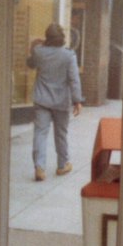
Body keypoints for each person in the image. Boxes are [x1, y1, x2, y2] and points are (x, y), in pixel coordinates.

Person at [29, 23, 83, 181]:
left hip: (41, 100)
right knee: (61, 134)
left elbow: (30, 64)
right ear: (62, 38)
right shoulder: (69, 55)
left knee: (40, 133)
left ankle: (39, 166)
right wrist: (77, 100)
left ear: (47, 37)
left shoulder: (39, 52)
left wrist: (35, 46)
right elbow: (74, 79)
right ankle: (62, 165)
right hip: (61, 101)